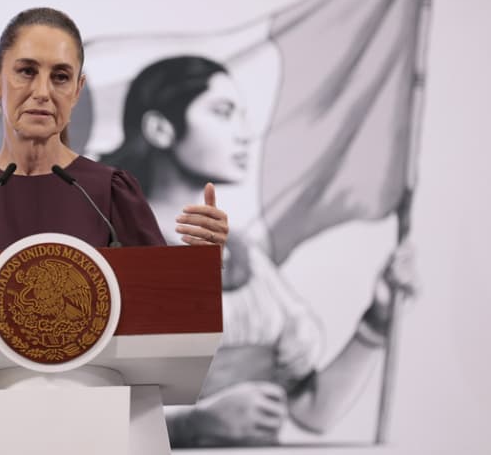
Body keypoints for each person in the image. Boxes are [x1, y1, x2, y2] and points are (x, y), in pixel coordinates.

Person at [100, 55, 415, 447]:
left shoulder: (245, 258)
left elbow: (312, 412)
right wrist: (191, 425)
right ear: (160, 128)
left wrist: (376, 320)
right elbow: (68, 417)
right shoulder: (105, 251)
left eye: (242, 115)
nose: (245, 133)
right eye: (223, 112)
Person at [0, 7, 229, 255]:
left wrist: (201, 264)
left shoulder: (113, 195)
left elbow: (162, 311)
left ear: (78, 90)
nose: (42, 91)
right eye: (26, 71)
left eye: (61, 76)